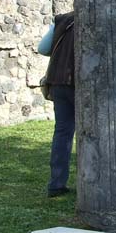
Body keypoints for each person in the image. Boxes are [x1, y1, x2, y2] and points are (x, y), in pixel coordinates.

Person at [37, 11, 76, 197]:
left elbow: (43, 48)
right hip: (80, 84)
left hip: (58, 82)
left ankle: (56, 183)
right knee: (94, 134)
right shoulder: (98, 16)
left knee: (62, 133)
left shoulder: (63, 20)